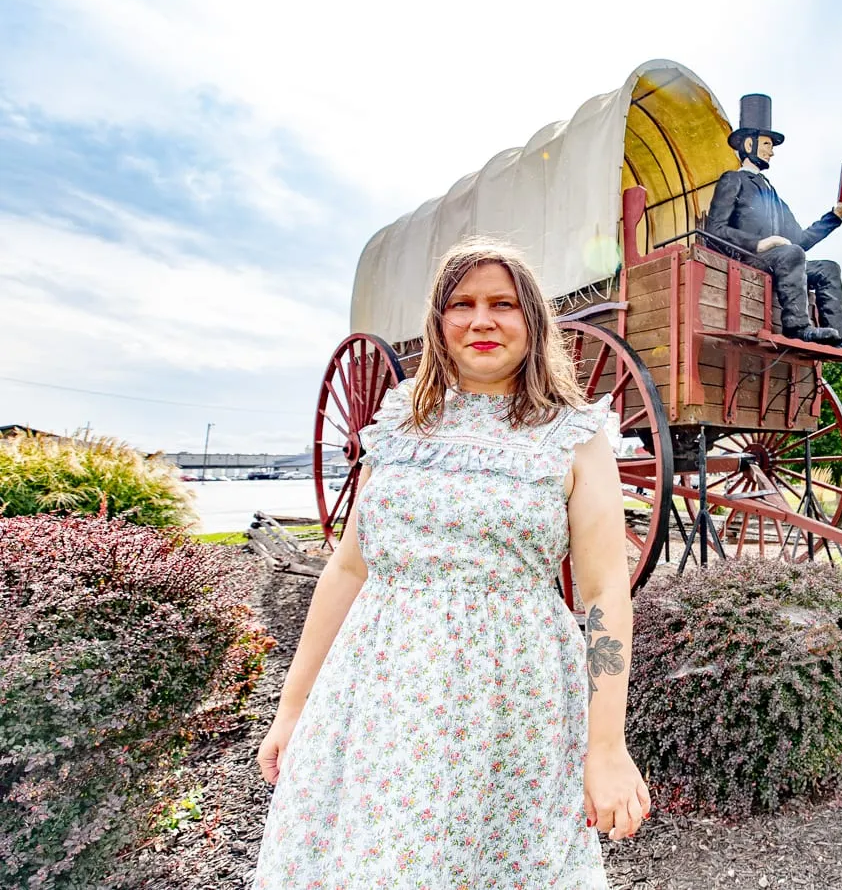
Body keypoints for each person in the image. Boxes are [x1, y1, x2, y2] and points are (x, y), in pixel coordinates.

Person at [253, 239, 649, 888]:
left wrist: (605, 745)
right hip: (378, 700)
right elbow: (349, 570)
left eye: (503, 303)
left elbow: (606, 591)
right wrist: (292, 703)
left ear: (534, 319)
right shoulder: (402, 432)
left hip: (510, 709)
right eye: (462, 303)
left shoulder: (573, 436)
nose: (482, 319)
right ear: (439, 323)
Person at [705, 93, 842, 353]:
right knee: (790, 253)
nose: (771, 151)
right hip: (745, 260)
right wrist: (760, 244)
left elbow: (799, 241)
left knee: (828, 268)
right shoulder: (733, 180)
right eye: (766, 143)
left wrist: (837, 214)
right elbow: (714, 231)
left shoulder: (772, 195)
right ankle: (797, 327)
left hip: (781, 263)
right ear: (749, 144)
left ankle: (841, 335)